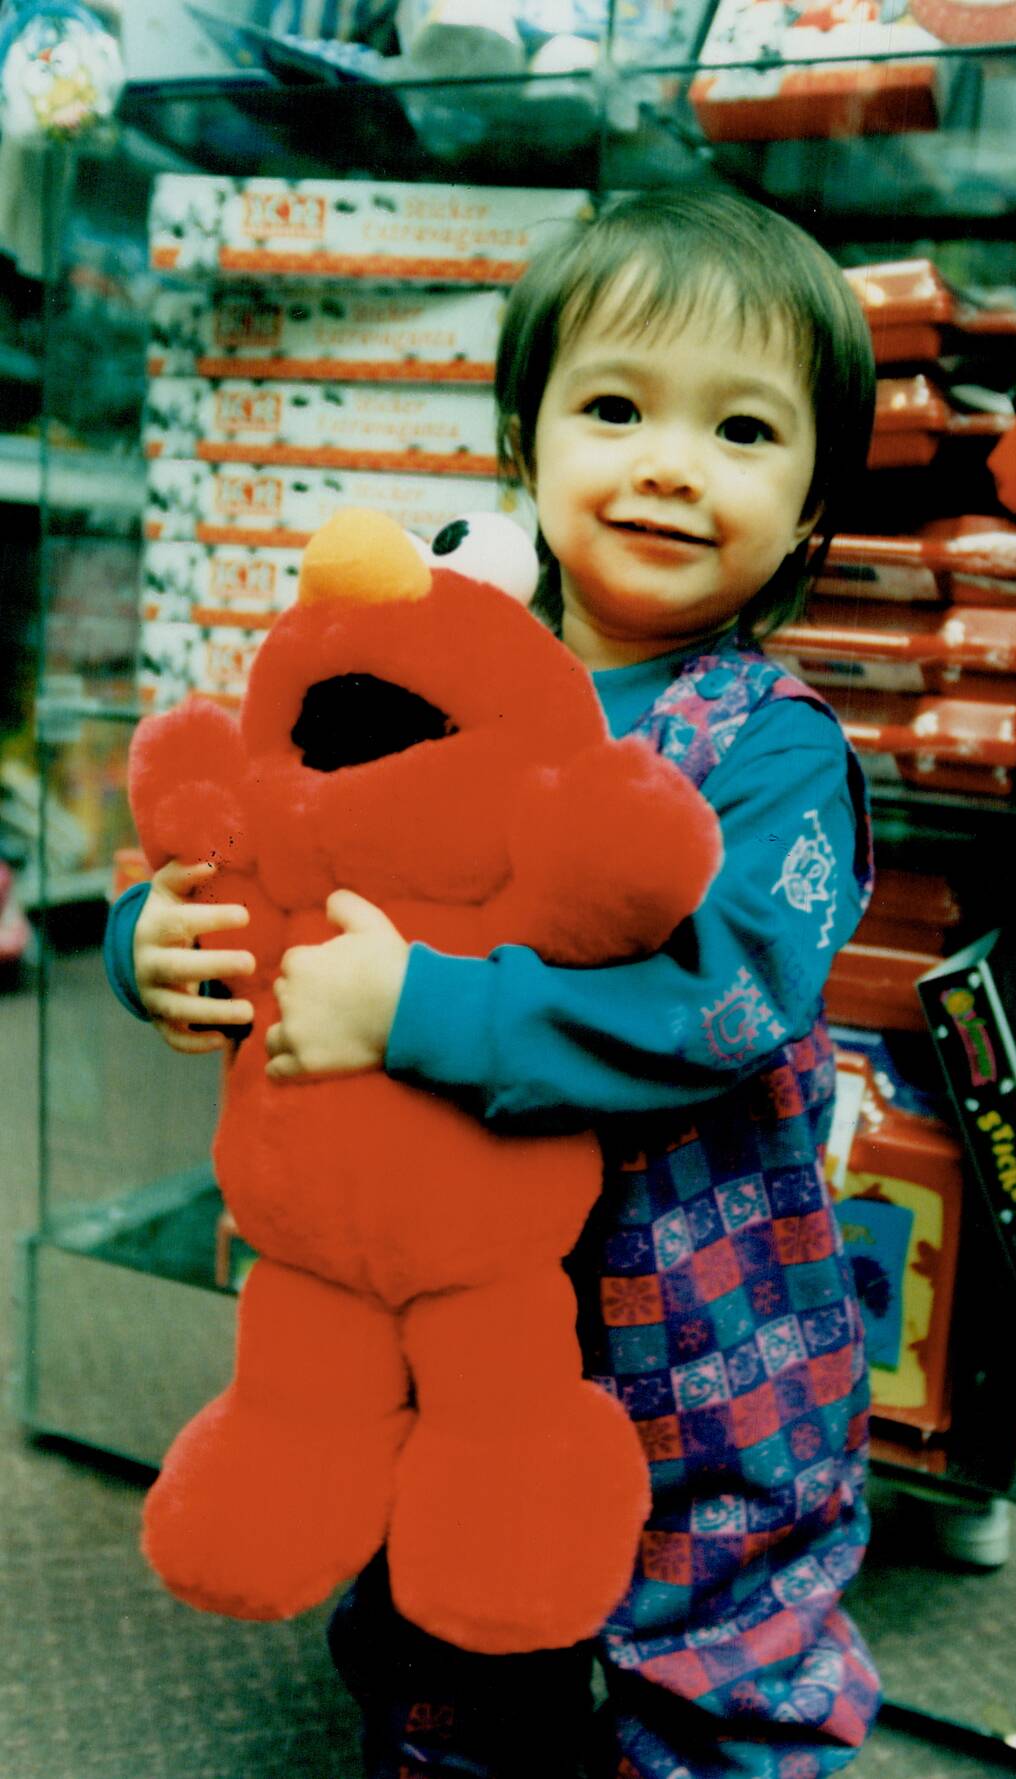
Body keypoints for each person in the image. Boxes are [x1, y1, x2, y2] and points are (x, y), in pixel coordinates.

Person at [105, 186, 879, 1779]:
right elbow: (266, 824)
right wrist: (158, 941)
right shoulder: (420, 665)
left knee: (718, 1647)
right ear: (526, 445)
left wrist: (420, 1013)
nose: (668, 465)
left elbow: (729, 1002)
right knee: (444, 1629)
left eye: (742, 431)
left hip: (699, 1321)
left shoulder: (772, 745)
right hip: (428, 1307)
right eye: (615, 408)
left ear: (812, 509)